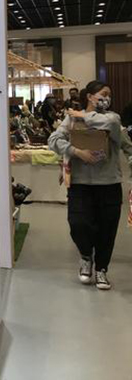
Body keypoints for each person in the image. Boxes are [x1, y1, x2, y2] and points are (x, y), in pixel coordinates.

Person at [48, 80, 131, 290]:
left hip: (109, 183)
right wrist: (76, 152)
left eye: (109, 94)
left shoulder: (113, 119)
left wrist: (83, 115)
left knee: (107, 229)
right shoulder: (71, 119)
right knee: (78, 224)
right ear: (90, 96)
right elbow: (54, 140)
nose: (107, 98)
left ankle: (101, 269)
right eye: (103, 93)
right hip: (80, 184)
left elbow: (117, 131)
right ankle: (86, 256)